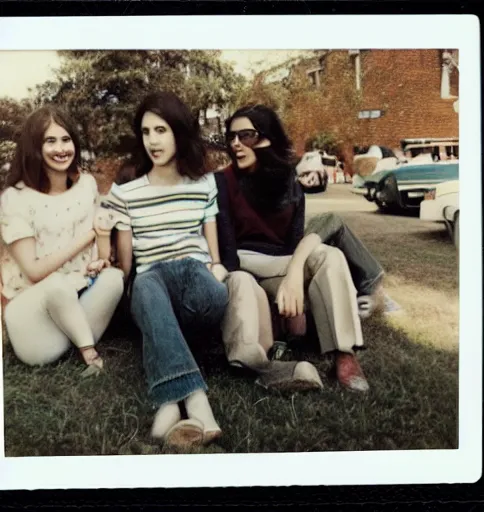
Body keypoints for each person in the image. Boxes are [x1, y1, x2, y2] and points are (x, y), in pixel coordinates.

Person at [102, 91, 229, 449]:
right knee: (145, 284)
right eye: (145, 132)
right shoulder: (126, 193)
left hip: (196, 282)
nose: (153, 140)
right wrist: (104, 240)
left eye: (161, 130)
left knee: (205, 284)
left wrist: (216, 267)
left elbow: (213, 252)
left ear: (179, 132)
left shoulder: (204, 185)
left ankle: (170, 399)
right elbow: (130, 269)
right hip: (152, 282)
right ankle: (193, 403)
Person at [215, 104, 371, 393]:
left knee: (331, 256)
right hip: (244, 265)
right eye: (232, 137)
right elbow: (228, 255)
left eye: (246, 135)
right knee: (318, 257)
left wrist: (294, 275)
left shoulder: (289, 181)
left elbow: (295, 240)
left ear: (268, 138)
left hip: (284, 264)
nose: (236, 143)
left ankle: (344, 353)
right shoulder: (222, 182)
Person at [0, 105, 124, 373]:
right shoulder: (14, 199)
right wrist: (88, 235)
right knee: (56, 284)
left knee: (114, 278)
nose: (61, 149)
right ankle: (88, 352)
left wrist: (100, 255)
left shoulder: (87, 185)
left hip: (76, 303)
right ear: (35, 148)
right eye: (50, 141)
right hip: (33, 326)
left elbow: (102, 255)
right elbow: (34, 272)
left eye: (66, 139)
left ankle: (74, 339)